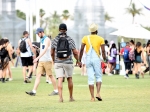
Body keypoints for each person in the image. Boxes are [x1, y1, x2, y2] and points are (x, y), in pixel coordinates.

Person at [51, 23, 80, 102]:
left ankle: (60, 98)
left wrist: (54, 60)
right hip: (68, 62)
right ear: (66, 30)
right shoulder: (70, 39)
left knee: (60, 79)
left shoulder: (55, 39)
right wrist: (78, 60)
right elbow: (75, 52)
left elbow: (52, 52)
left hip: (58, 62)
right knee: (69, 78)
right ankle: (70, 97)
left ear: (59, 30)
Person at [26, 28, 58, 96]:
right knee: (38, 75)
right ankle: (34, 91)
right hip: (41, 61)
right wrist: (37, 49)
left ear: (42, 32)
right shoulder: (42, 39)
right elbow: (42, 49)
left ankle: (56, 90)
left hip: (47, 61)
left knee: (50, 76)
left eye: (38, 33)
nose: (37, 35)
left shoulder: (47, 39)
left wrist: (37, 58)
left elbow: (46, 49)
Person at [79, 23, 106, 102]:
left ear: (90, 31)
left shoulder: (85, 38)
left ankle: (92, 97)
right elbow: (103, 51)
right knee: (98, 76)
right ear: (96, 30)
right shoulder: (100, 39)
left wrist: (79, 60)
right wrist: (105, 59)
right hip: (96, 59)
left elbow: (81, 50)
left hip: (88, 59)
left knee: (90, 78)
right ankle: (98, 93)